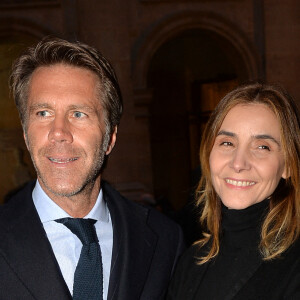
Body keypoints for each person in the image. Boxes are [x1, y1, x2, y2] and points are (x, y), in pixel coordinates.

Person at [0, 37, 185, 300]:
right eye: (43, 113)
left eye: (78, 114)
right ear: (25, 134)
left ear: (109, 138)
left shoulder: (165, 240)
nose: (59, 133)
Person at [167, 82, 300, 299]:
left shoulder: (294, 264)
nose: (238, 163)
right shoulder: (191, 261)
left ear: (288, 165)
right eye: (227, 143)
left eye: (262, 147)